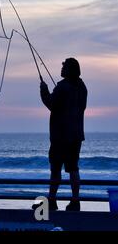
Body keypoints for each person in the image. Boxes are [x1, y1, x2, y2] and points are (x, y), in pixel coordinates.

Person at [36, 58, 87, 211]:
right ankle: (75, 201)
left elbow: (51, 104)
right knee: (73, 168)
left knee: (55, 168)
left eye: (64, 65)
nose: (62, 67)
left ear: (69, 69)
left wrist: (43, 90)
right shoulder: (82, 87)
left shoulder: (62, 87)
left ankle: (51, 201)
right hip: (76, 135)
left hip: (60, 136)